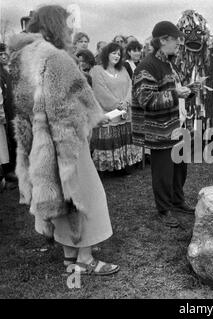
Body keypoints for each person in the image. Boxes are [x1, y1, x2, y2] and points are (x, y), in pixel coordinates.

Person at [10, 5, 118, 275]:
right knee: (86, 196)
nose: (71, 29)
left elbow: (23, 105)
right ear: (56, 26)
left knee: (60, 196)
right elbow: (68, 106)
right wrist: (98, 117)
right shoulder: (57, 58)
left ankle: (70, 255)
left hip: (38, 142)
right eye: (67, 24)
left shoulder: (21, 56)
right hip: (66, 140)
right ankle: (85, 259)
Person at [132, 21, 194, 228]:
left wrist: (189, 90)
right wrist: (176, 94)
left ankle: (177, 201)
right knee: (163, 171)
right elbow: (147, 100)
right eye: (176, 40)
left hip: (176, 126)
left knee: (180, 167)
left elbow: (172, 89)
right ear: (163, 40)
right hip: (159, 130)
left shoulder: (168, 63)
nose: (179, 44)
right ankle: (164, 209)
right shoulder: (146, 67)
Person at [90, 42, 142, 173]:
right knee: (111, 138)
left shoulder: (123, 69)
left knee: (125, 137)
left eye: (119, 54)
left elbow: (131, 87)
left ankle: (125, 164)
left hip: (125, 111)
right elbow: (100, 91)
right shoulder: (97, 70)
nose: (117, 56)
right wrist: (117, 104)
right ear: (106, 54)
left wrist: (126, 102)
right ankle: (111, 167)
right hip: (109, 113)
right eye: (114, 53)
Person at [0, 43, 16, 182]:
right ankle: (8, 170)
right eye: (0, 55)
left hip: (13, 109)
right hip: (4, 111)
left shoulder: (9, 70)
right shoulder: (0, 73)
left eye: (5, 54)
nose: (4, 56)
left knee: (13, 137)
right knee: (6, 142)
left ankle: (15, 167)